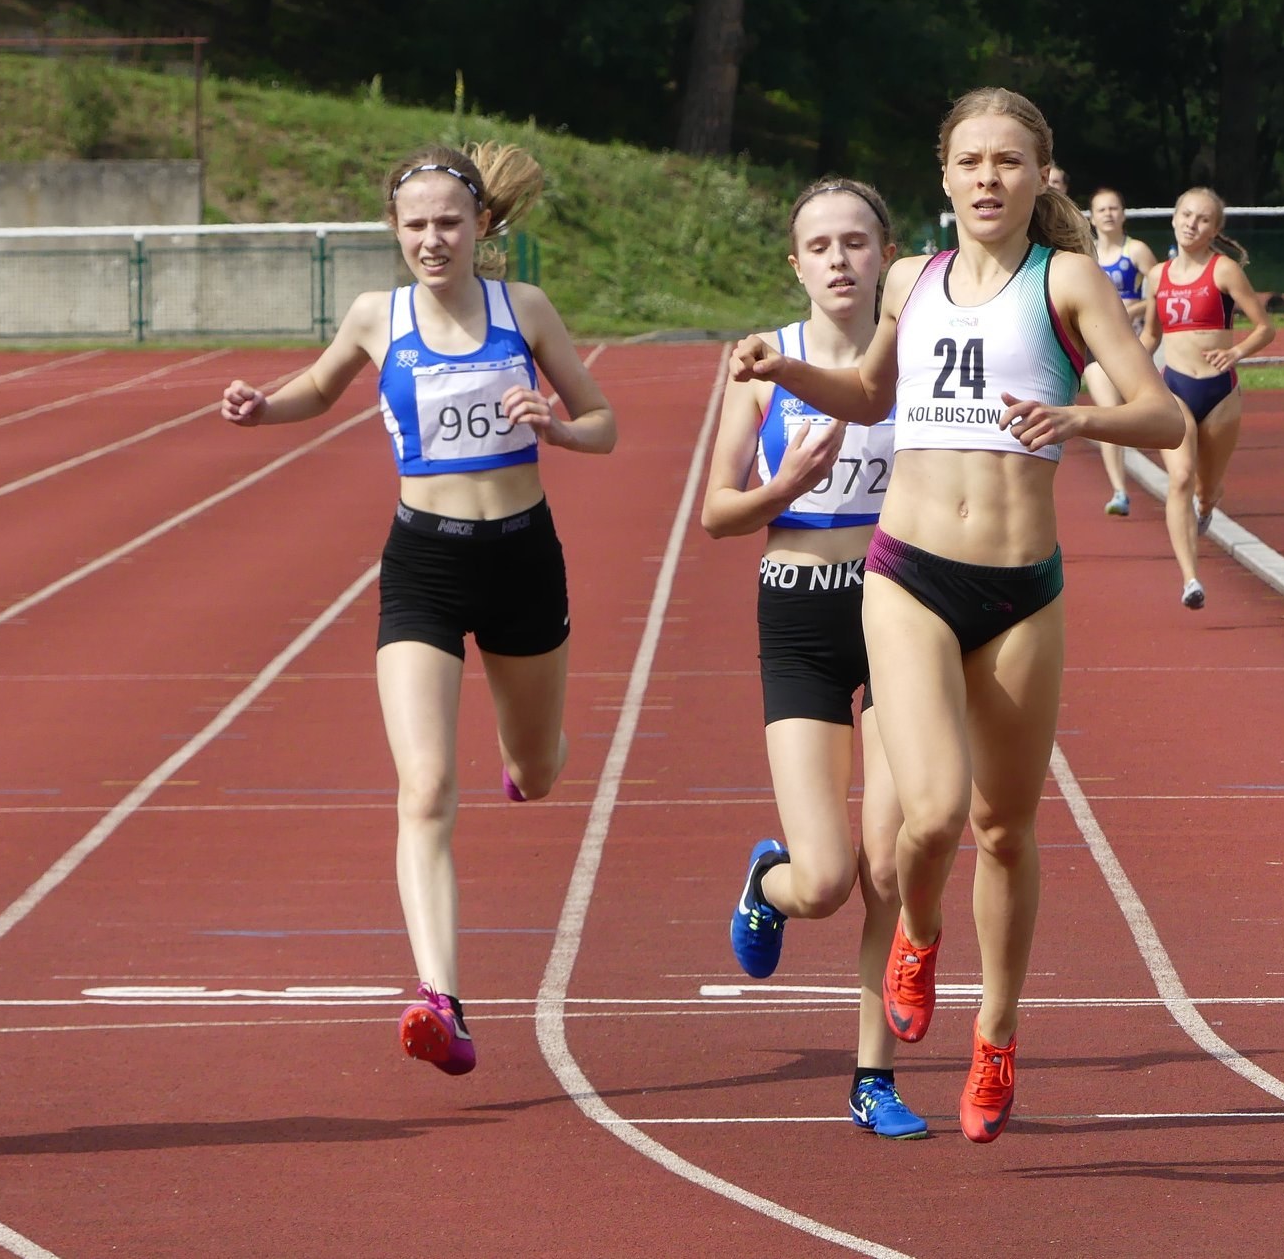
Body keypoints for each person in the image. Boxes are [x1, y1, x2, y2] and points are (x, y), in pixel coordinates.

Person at [731, 88, 1181, 1142]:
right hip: (908, 573)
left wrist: (1079, 414)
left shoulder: (1064, 280)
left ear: (1040, 176)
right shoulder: (909, 278)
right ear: (942, 176)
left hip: (1020, 588)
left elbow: (1158, 412)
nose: (987, 178)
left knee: (1003, 830)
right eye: (969, 161)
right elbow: (869, 394)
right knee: (928, 815)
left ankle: (997, 1031)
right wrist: (785, 364)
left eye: (1008, 162)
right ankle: (919, 938)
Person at [220, 141, 615, 1077]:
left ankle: (530, 762)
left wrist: (557, 426)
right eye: (415, 226)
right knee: (426, 787)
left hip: (523, 561)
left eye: (449, 222)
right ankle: (443, 999)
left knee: (539, 768)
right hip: (423, 567)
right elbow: (315, 390)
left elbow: (604, 421)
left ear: (483, 226)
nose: (432, 240)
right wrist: (259, 407)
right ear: (393, 233)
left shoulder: (524, 310)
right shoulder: (374, 315)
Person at [702, 177, 924, 1140]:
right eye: (819, 245)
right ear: (794, 263)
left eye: (855, 243)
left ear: (886, 254)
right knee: (826, 880)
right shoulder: (761, 363)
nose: (839, 260)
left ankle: (871, 1075)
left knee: (886, 864)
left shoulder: (920, 358)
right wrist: (784, 484)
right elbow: (715, 513)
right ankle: (768, 882)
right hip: (797, 613)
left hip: (899, 613)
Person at [1144, 188, 1276, 610]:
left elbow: (1265, 328)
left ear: (1214, 229)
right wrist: (1127, 374)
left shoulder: (1224, 272)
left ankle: (1207, 503)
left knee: (1206, 485)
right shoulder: (1157, 276)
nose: (1191, 224)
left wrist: (1237, 352)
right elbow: (1150, 335)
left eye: (1202, 219)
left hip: (1220, 392)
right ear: (1173, 218)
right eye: (1185, 215)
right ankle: (1190, 579)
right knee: (1179, 477)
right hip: (1175, 388)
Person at [1085, 187, 1158, 517]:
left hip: (1135, 343)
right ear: (1092, 216)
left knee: (1147, 410)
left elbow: (1162, 290)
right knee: (1109, 411)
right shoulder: (1085, 254)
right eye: (1102, 209)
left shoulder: (1137, 250)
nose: (1109, 214)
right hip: (1097, 346)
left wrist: (1135, 308)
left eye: (1114, 208)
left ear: (1123, 214)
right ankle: (1119, 490)